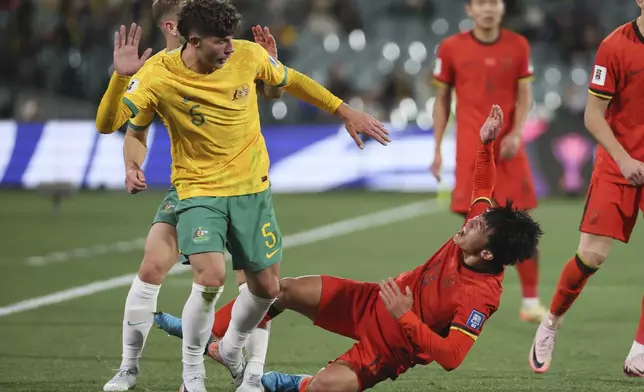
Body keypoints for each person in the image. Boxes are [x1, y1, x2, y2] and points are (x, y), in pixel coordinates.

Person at [95, 0, 391, 391]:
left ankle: (233, 350)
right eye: (222, 42)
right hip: (198, 189)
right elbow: (111, 125)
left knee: (267, 288)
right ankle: (187, 376)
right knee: (207, 275)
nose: (231, 48)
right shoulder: (156, 75)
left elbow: (290, 82)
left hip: (252, 190)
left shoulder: (246, 55)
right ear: (192, 37)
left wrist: (343, 110)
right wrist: (120, 79)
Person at [154, 105, 544, 392]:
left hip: (391, 347)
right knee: (279, 290)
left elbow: (453, 357)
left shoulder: (481, 297)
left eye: (479, 225)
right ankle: (217, 340)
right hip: (371, 300)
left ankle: (285, 383)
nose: (472, 219)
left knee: (325, 387)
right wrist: (486, 145)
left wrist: (406, 317)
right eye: (478, 217)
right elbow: (482, 188)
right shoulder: (478, 231)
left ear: (488, 254)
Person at [100, 2, 285, 391]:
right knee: (153, 266)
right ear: (175, 25)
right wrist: (132, 166)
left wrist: (271, 72)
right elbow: (133, 130)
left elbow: (269, 92)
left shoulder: (224, 55)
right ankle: (129, 368)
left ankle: (250, 371)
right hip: (191, 186)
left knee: (252, 279)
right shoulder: (156, 72)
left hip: (240, 183)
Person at [529, 5, 644, 377]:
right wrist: (624, 159)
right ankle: (551, 322)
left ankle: (640, 352)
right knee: (591, 257)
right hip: (618, 164)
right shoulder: (615, 46)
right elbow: (593, 114)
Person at [430, 0, 546, 322]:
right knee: (469, 232)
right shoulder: (451, 48)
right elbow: (441, 101)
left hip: (508, 150)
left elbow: (524, 97)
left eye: (493, 2)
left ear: (503, 7)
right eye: (480, 2)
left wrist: (517, 133)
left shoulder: (518, 45)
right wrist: (437, 148)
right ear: (469, 9)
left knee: (522, 224)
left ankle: (531, 302)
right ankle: (457, 300)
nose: (488, 9)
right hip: (471, 150)